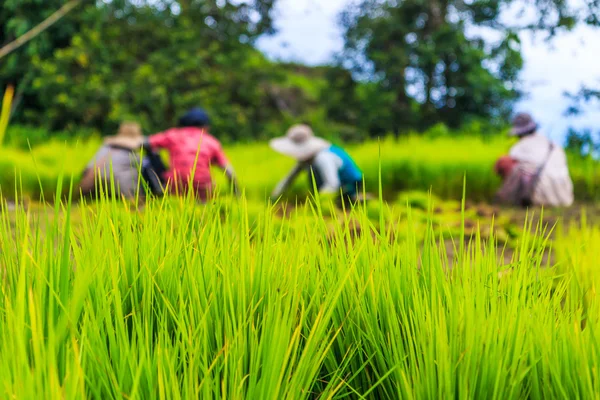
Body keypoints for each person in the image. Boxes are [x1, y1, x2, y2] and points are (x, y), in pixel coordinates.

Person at [145, 108, 238, 201]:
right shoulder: (212, 141)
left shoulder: (173, 135)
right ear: (206, 127)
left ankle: (151, 192)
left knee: (151, 153)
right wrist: (236, 192)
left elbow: (146, 142)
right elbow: (229, 171)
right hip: (203, 189)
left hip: (175, 186)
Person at [270, 124, 364, 206]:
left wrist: (317, 202)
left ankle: (344, 201)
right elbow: (289, 178)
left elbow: (332, 184)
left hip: (349, 185)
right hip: (333, 185)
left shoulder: (323, 158)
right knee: (312, 172)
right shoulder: (306, 159)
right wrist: (273, 197)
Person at [495, 113, 574, 207]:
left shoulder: (520, 146)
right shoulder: (554, 145)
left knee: (504, 162)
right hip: (565, 198)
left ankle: (514, 200)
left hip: (539, 197)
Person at [79, 122, 146, 199]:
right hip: (118, 185)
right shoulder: (133, 151)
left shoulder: (105, 147)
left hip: (94, 183)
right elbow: (142, 168)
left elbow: (88, 167)